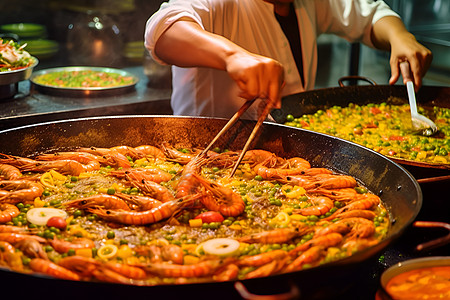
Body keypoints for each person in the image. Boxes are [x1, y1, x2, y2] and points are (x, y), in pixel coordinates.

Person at [144, 0, 432, 119]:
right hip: (208, 155)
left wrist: (399, 36)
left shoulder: (308, 3)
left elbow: (367, 14)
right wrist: (233, 56)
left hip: (290, 155)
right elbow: (163, 30)